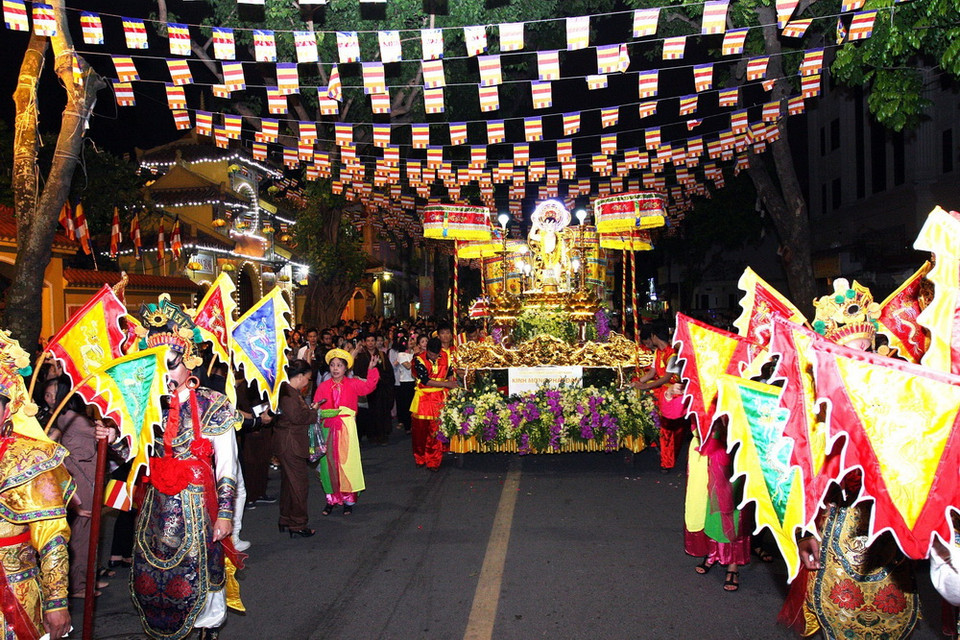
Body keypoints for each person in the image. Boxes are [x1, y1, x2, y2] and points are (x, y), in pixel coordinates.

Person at [781, 279, 919, 639]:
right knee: (836, 618)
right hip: (833, 526)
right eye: (849, 355)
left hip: (887, 531)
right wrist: (804, 530)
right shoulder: (812, 400)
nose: (861, 363)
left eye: (866, 352)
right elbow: (799, 471)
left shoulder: (897, 391)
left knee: (889, 620)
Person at [109, 297, 245, 640]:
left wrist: (225, 516)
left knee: (203, 574)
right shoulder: (144, 405)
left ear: (189, 362)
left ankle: (207, 630)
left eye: (171, 364)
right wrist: (111, 437)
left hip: (199, 506)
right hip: (155, 508)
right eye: (156, 366)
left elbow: (228, 465)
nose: (165, 374)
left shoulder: (212, 405)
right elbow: (131, 455)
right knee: (156, 578)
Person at [0, 332, 73, 639]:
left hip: (15, 590)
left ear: (8, 409)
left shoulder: (30, 459)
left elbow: (52, 536)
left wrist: (56, 603)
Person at [44, 376, 111, 598]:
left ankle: (87, 579)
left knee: (89, 530)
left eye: (53, 393)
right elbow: (100, 432)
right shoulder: (72, 418)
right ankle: (79, 585)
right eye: (47, 394)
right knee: (83, 531)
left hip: (86, 477)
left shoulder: (66, 417)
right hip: (82, 479)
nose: (49, 398)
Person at [313, 348, 380, 515]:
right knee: (328, 465)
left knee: (347, 464)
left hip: (346, 429)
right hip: (328, 428)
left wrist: (371, 369)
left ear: (346, 369)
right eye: (333, 365)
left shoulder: (352, 384)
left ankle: (348, 500)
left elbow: (368, 387)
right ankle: (331, 498)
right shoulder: (323, 386)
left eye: (339, 365)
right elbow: (316, 406)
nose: (335, 368)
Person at [273, 359, 319, 538]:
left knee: (289, 484)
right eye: (307, 378)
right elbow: (297, 417)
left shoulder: (288, 390)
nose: (307, 382)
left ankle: (286, 518)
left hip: (287, 443)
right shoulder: (289, 393)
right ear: (299, 377)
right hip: (291, 444)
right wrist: (313, 412)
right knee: (299, 484)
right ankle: (298, 523)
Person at [634, 324, 685, 473]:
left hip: (673, 394)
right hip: (660, 392)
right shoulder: (658, 352)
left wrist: (646, 387)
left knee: (668, 431)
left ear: (654, 337)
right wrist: (637, 383)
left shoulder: (673, 354)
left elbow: (667, 378)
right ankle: (657, 448)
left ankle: (667, 462)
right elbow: (651, 373)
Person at [410, 337, 459, 471]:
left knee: (436, 432)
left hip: (439, 399)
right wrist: (446, 384)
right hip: (423, 399)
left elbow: (450, 374)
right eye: (431, 354)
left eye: (436, 354)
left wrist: (451, 386)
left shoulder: (446, 357)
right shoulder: (418, 359)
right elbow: (425, 380)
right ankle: (419, 457)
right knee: (420, 432)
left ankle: (433, 461)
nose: (433, 356)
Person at [354, 332, 395, 446]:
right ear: (364, 343)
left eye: (373, 340)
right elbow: (357, 373)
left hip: (381, 389)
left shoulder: (382, 355)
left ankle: (383, 435)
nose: (371, 343)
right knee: (369, 413)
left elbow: (389, 372)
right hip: (367, 390)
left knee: (382, 411)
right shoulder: (361, 357)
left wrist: (382, 378)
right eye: (368, 341)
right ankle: (371, 435)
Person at [394, 334, 417, 434]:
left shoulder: (414, 353)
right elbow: (408, 366)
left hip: (414, 381)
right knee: (407, 405)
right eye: (409, 341)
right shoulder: (401, 355)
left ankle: (414, 425)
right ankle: (408, 427)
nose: (411, 342)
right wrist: (415, 356)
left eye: (412, 340)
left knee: (414, 405)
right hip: (405, 382)